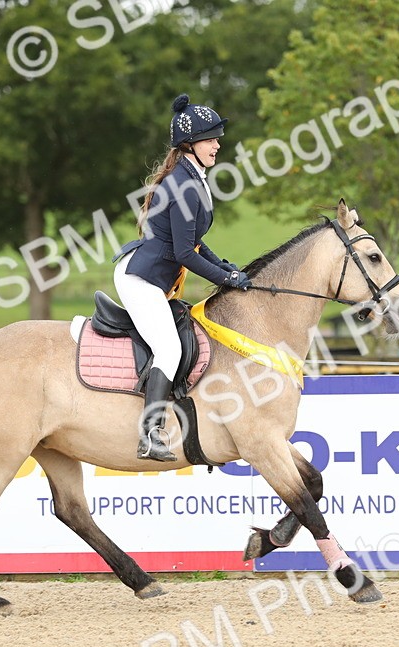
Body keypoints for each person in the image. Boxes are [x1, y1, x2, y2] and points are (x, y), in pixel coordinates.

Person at [113, 94, 252, 461]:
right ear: (190, 144)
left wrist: (225, 268)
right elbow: (183, 253)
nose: (218, 145)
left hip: (156, 275)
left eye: (217, 138)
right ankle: (150, 433)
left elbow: (193, 241)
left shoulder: (193, 177)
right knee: (170, 348)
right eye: (211, 139)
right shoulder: (184, 183)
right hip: (141, 280)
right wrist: (228, 280)